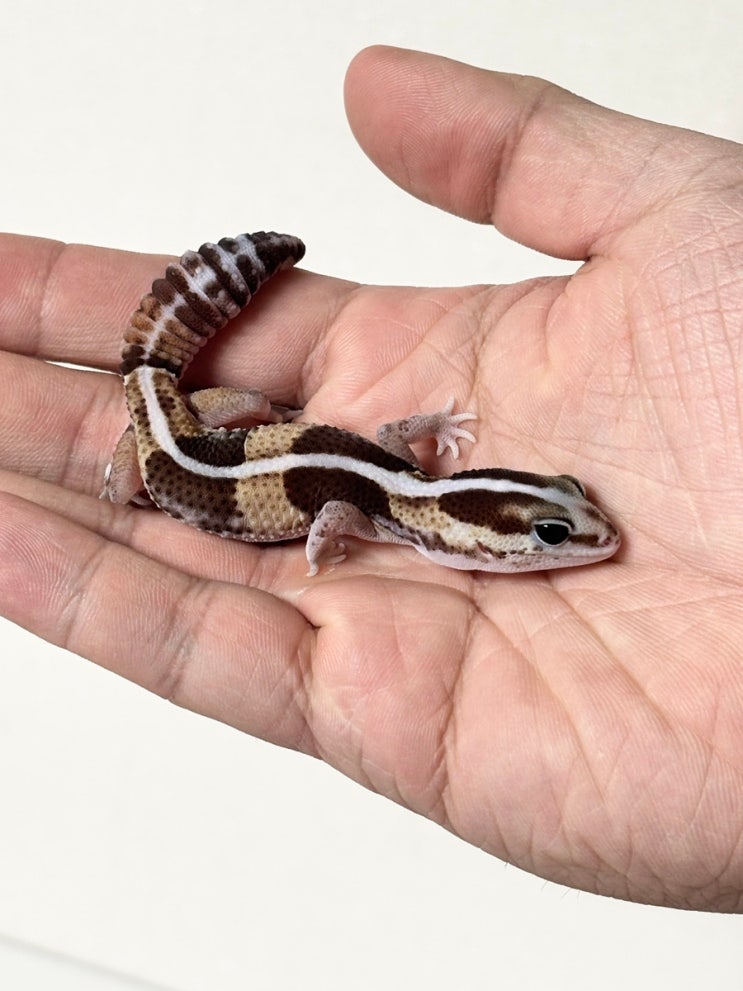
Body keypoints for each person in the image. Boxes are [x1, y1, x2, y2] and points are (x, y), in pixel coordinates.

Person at [0, 46, 740, 911]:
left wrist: (415, 440)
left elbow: (387, 445)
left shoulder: (395, 473)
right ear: (469, 538)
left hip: (192, 416)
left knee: (211, 404)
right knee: (156, 450)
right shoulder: (381, 501)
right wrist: (306, 537)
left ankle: (171, 384)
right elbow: (336, 510)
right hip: (171, 450)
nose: (585, 535)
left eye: (557, 516)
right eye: (553, 528)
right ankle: (147, 421)